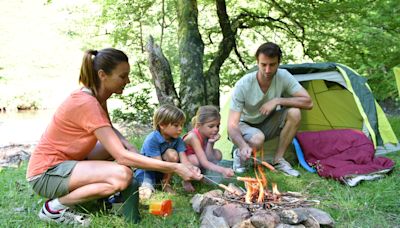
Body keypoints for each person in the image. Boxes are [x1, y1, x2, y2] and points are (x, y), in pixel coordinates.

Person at [26, 48, 202, 226]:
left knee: (122, 151)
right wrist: (175, 166)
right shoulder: (86, 103)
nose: (128, 81)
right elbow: (122, 157)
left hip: (67, 163)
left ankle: (105, 199)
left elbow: (108, 128)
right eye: (122, 76)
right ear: (103, 75)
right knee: (122, 175)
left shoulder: (97, 97)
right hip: (46, 174)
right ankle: (54, 208)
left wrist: (128, 144)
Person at [227, 42, 313, 176]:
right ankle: (239, 153)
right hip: (245, 125)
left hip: (268, 122)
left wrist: (277, 100)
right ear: (257, 62)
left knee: (294, 113)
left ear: (278, 63)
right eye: (263, 65)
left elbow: (308, 102)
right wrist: (243, 145)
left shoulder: (283, 76)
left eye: (272, 65)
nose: (267, 70)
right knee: (257, 139)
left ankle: (278, 160)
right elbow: (232, 125)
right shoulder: (243, 84)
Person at [135, 104, 194, 199]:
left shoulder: (178, 140)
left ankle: (165, 183)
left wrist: (191, 173)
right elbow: (158, 165)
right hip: (147, 171)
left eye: (181, 125)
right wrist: (180, 170)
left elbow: (185, 161)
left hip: (164, 172)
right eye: (176, 125)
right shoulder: (152, 139)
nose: (180, 129)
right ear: (162, 125)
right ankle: (149, 185)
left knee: (172, 154)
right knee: (146, 194)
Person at [182, 105, 235, 192]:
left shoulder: (207, 133)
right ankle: (186, 180)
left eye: (218, 126)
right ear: (199, 126)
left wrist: (211, 142)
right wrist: (223, 170)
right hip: (185, 161)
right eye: (211, 126)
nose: (216, 129)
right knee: (196, 160)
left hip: (200, 157)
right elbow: (204, 162)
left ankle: (204, 175)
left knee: (218, 154)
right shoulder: (193, 137)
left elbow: (209, 157)